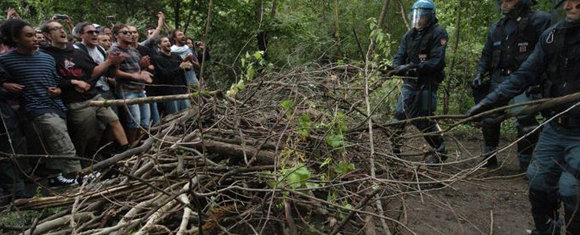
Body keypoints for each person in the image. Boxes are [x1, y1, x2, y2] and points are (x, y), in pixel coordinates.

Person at [468, 0, 580, 234]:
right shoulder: (551, 36)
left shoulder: (537, 22)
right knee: (538, 183)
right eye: (568, 1)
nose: (571, 6)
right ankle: (546, 230)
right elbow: (524, 74)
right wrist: (487, 103)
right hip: (555, 126)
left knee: (572, 190)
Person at [471, 0, 552, 169]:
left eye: (508, 1)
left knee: (525, 119)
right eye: (501, 1)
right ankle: (489, 158)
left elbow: (549, 53)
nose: (503, 5)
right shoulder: (497, 27)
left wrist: (542, 79)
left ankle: (524, 163)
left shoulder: (539, 20)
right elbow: (486, 55)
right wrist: (479, 73)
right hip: (499, 77)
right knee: (490, 116)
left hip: (526, 79)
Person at [0, 19, 81, 187]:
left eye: (34, 35)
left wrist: (58, 90)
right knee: (61, 141)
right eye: (28, 36)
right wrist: (5, 85)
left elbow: (57, 80)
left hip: (57, 106)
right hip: (34, 109)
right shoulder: (6, 60)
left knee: (54, 143)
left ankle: (58, 177)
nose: (34, 39)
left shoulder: (47, 58)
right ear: (16, 39)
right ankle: (76, 175)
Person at [40, 20, 128, 160]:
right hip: (75, 102)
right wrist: (73, 82)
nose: (62, 31)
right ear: (47, 35)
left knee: (114, 120)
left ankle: (127, 153)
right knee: (85, 136)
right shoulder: (45, 56)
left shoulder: (77, 52)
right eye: (56, 29)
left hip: (94, 96)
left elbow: (93, 72)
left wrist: (111, 63)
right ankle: (82, 160)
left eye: (62, 28)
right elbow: (49, 81)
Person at [388, 0, 448, 164]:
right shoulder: (409, 35)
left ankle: (440, 150)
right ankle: (395, 154)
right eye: (416, 17)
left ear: (430, 17)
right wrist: (396, 68)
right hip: (409, 82)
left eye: (422, 17)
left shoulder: (439, 33)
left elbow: (437, 61)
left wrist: (415, 67)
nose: (418, 20)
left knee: (422, 118)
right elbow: (399, 56)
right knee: (399, 116)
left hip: (427, 82)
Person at [110, 24, 153, 146]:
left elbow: (138, 68)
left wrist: (143, 66)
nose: (130, 35)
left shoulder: (133, 50)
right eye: (125, 32)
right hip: (127, 90)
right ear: (116, 35)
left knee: (145, 122)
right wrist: (133, 76)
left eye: (130, 32)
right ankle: (131, 147)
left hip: (140, 89)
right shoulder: (114, 50)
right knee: (134, 122)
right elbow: (113, 72)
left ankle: (139, 144)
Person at [151, 36, 191, 115]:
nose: (168, 43)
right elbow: (164, 75)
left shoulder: (176, 56)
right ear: (159, 45)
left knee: (187, 115)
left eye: (168, 41)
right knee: (174, 117)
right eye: (165, 41)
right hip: (169, 94)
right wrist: (180, 68)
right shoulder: (157, 58)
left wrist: (188, 67)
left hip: (182, 91)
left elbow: (183, 68)